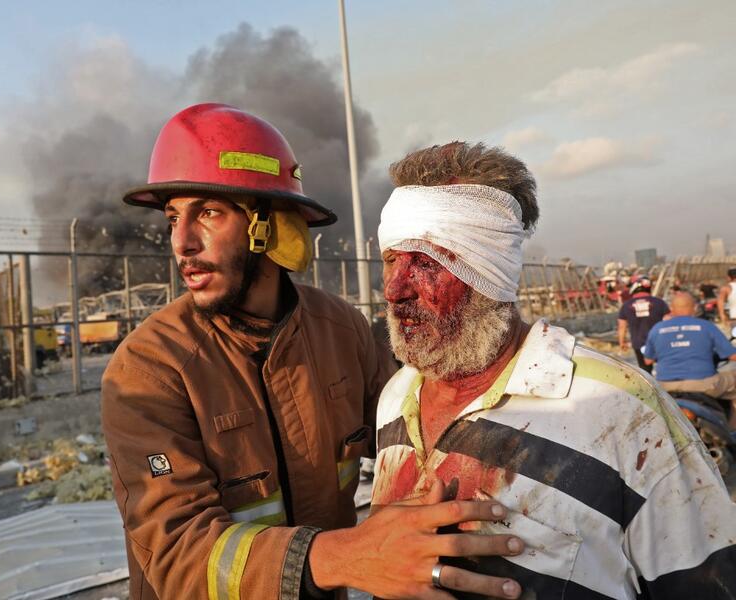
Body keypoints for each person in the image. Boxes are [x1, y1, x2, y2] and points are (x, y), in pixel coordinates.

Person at [101, 105, 526, 600]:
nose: (181, 243)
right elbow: (177, 553)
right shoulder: (149, 369)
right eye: (174, 218)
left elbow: (415, 434)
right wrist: (349, 556)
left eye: (208, 213)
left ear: (270, 226)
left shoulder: (340, 330)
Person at [371, 141, 736, 599]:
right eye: (390, 260)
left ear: (492, 272)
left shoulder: (620, 408)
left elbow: (708, 584)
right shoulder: (395, 397)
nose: (393, 289)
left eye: (425, 262)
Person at [643, 290, 736, 428]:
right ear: (695, 308)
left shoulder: (657, 329)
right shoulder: (706, 326)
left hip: (666, 386)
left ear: (671, 309)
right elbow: (733, 356)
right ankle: (732, 431)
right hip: (704, 384)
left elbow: (647, 361)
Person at [617, 276, 669, 373]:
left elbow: (622, 326)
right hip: (659, 342)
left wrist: (621, 342)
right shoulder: (659, 302)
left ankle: (650, 388)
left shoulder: (626, 305)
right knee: (665, 369)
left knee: (645, 373)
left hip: (639, 344)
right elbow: (669, 322)